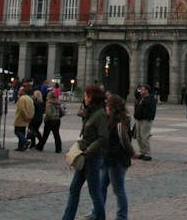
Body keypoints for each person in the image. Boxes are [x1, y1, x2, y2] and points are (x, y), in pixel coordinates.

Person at [61, 85, 109, 220]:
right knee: (74, 188)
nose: (85, 98)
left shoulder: (100, 114)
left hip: (92, 158)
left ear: (92, 98)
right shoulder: (91, 112)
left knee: (95, 193)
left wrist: (89, 150)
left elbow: (103, 137)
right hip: (84, 156)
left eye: (87, 96)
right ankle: (67, 217)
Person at [101, 93, 134, 220]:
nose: (106, 108)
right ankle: (97, 212)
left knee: (118, 190)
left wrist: (132, 154)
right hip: (108, 158)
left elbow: (125, 141)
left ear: (113, 107)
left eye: (108, 106)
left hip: (117, 160)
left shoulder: (120, 122)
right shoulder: (109, 119)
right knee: (101, 187)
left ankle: (122, 216)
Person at [133, 85, 157, 161]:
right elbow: (136, 95)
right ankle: (142, 152)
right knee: (138, 136)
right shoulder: (140, 98)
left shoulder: (151, 99)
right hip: (138, 119)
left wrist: (149, 117)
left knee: (144, 137)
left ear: (147, 91)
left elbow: (152, 110)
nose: (141, 91)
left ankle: (148, 153)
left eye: (143, 89)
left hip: (146, 120)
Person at [38, 87, 64, 152]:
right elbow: (62, 112)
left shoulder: (49, 103)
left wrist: (45, 119)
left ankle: (40, 146)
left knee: (45, 135)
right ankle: (58, 148)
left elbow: (48, 113)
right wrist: (58, 116)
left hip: (50, 120)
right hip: (57, 120)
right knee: (56, 135)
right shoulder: (58, 103)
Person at [13, 86, 34, 151]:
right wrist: (30, 117)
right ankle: (21, 146)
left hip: (21, 118)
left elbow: (22, 109)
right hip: (27, 118)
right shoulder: (29, 98)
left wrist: (26, 117)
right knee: (22, 132)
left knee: (17, 131)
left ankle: (25, 141)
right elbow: (32, 108)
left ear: (23, 91)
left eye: (19, 90)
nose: (18, 91)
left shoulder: (21, 98)